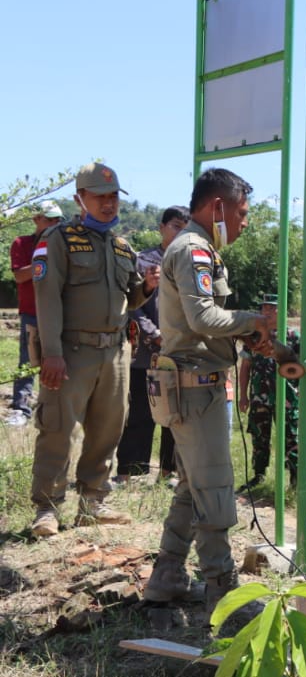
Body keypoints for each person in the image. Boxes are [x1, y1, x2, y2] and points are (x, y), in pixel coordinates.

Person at [143, 168, 273, 617]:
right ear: (217, 207)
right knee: (215, 491)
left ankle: (167, 576)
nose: (243, 223)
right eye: (241, 213)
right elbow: (202, 318)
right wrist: (253, 321)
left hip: (192, 386)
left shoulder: (197, 249)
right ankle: (223, 593)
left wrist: (243, 329)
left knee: (192, 486)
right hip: (196, 389)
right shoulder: (195, 249)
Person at [29, 164, 150, 537]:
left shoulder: (122, 246)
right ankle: (47, 509)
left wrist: (147, 288)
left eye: (113, 197)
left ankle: (94, 501)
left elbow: (130, 300)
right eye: (100, 196)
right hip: (70, 351)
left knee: (107, 429)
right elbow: (47, 299)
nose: (108, 203)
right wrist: (51, 352)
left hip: (114, 353)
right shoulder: (58, 240)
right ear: (79, 198)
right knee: (57, 429)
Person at [115, 206, 189, 480]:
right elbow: (131, 303)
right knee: (140, 413)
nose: (180, 231)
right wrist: (152, 332)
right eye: (176, 225)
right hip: (145, 351)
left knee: (175, 414)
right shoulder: (143, 260)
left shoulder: (189, 262)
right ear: (162, 227)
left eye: (185, 227)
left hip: (179, 350)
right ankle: (131, 472)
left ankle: (169, 472)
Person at [237, 294, 300, 490]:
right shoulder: (255, 336)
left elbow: (303, 367)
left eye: (272, 308)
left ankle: (296, 480)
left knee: (291, 437)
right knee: (259, 436)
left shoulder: (292, 336)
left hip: (288, 397)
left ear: (281, 310)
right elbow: (245, 366)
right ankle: (259, 475)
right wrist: (243, 396)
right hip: (260, 396)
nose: (267, 312)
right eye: (264, 308)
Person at [8, 200, 62, 427]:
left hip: (59, 312)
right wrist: (42, 261)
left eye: (57, 220)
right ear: (36, 219)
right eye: (48, 219)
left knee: (58, 361)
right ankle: (21, 409)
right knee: (27, 362)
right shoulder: (22, 243)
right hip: (32, 312)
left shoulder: (63, 244)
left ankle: (52, 408)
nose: (53, 224)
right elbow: (20, 276)